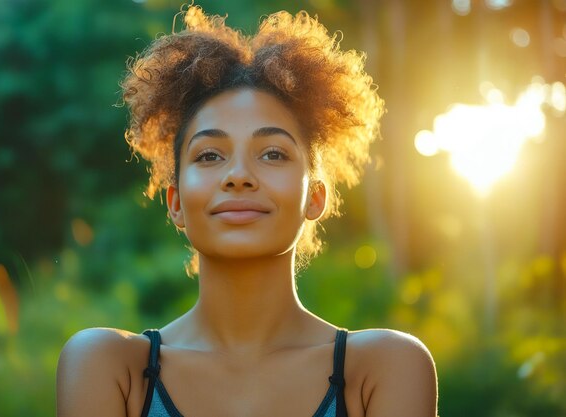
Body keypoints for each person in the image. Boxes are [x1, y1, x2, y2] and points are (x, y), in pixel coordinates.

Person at [56, 5, 438, 417]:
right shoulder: (110, 367)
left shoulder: (383, 368)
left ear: (315, 196)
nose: (238, 176)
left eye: (272, 153)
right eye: (208, 156)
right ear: (177, 203)